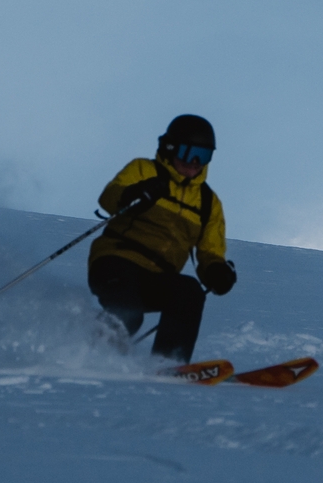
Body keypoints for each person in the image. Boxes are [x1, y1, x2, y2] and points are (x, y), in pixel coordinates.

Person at [88, 114, 236, 363]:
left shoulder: (209, 202)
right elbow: (110, 197)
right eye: (189, 152)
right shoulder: (144, 170)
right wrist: (134, 194)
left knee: (189, 292)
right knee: (129, 313)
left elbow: (211, 251)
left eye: (204, 156)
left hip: (156, 277)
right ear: (171, 148)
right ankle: (85, 349)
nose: (194, 163)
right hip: (116, 261)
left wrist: (216, 271)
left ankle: (167, 364)